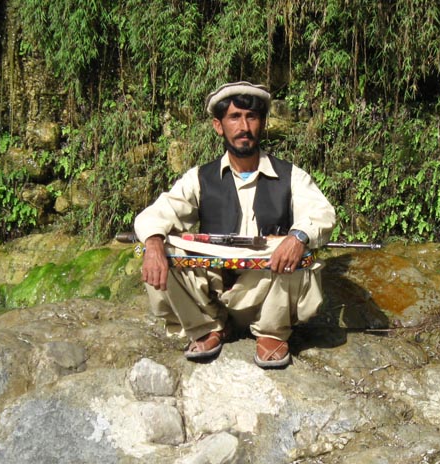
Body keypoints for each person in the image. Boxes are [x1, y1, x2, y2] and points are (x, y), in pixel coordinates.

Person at [134, 81, 336, 368]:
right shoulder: (199, 178)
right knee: (160, 248)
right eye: (234, 117)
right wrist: (153, 243)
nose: (244, 126)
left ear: (262, 123)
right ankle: (208, 327)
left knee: (299, 250)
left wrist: (298, 236)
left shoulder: (290, 175)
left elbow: (322, 213)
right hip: (214, 291)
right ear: (219, 126)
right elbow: (158, 212)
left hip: (267, 289)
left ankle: (272, 333)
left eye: (251, 117)